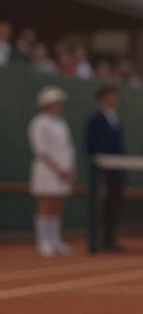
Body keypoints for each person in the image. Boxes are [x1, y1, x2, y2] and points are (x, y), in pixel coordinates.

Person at [28, 86, 76, 256]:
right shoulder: (39, 122)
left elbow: (68, 147)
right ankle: (43, 242)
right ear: (46, 104)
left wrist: (69, 168)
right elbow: (41, 150)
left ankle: (55, 241)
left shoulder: (61, 123)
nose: (59, 105)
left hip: (63, 171)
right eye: (56, 102)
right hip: (47, 170)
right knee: (46, 204)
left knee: (57, 204)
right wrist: (58, 169)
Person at [85, 85, 126, 252]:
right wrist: (99, 162)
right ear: (102, 99)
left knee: (114, 203)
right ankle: (98, 240)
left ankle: (110, 239)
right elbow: (90, 144)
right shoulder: (95, 119)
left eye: (114, 96)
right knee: (102, 204)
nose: (113, 99)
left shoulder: (116, 117)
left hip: (117, 167)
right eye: (110, 96)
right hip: (102, 168)